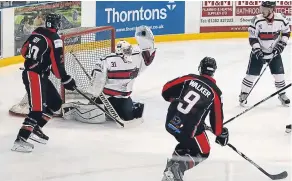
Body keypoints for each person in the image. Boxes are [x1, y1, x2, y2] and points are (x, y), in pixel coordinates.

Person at [62, 25, 156, 124]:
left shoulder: (136, 58)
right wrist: (95, 91)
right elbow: (97, 76)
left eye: (129, 50)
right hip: (106, 96)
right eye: (126, 51)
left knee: (129, 117)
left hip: (123, 97)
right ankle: (75, 108)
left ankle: (126, 106)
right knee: (95, 116)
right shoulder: (108, 60)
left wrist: (144, 38)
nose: (128, 53)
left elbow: (148, 56)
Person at [11, 13, 76, 153]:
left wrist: (40, 59)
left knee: (55, 102)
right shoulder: (55, 39)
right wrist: (66, 79)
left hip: (38, 75)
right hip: (34, 76)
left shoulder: (37, 33)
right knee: (36, 110)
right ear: (57, 25)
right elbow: (57, 67)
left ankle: (35, 129)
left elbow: (23, 51)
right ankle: (20, 140)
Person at [161, 57, 229, 181]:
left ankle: (171, 171)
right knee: (203, 151)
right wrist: (221, 133)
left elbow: (166, 90)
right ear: (213, 71)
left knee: (187, 146)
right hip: (189, 129)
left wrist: (175, 99)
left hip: (171, 121)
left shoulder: (189, 78)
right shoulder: (215, 92)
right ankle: (177, 169)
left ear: (200, 68)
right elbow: (217, 126)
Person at [239, 1, 290, 106]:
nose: (262, 11)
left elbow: (286, 32)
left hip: (274, 52)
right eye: (261, 9)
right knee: (251, 76)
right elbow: (252, 37)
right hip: (258, 52)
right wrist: (257, 50)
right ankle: (244, 93)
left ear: (271, 10)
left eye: (265, 9)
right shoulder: (257, 20)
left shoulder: (281, 18)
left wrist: (281, 45)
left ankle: (282, 93)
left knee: (279, 75)